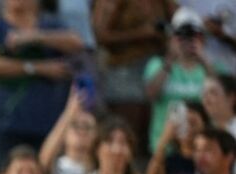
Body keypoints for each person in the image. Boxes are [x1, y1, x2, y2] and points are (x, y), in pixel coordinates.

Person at [0, 0, 84, 171]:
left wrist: (34, 37)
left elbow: (76, 43)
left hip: (44, 124)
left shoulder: (51, 24)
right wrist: (38, 68)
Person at [92, 0, 175, 148]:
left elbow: (177, 20)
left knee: (151, 131)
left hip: (155, 66)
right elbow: (100, 36)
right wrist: (141, 33)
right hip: (124, 68)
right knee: (126, 130)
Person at [145, 8, 212, 152]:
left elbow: (225, 99)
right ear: (171, 38)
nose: (187, 41)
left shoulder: (213, 69)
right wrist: (170, 59)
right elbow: (151, 94)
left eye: (193, 36)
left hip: (201, 149)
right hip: (163, 148)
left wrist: (203, 60)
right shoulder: (157, 65)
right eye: (182, 36)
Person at [146, 99, 207, 174]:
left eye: (192, 123)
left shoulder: (208, 158)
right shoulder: (169, 161)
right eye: (183, 123)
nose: (188, 129)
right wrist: (164, 140)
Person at [38, 88, 98, 174]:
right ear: (64, 134)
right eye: (75, 125)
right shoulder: (56, 166)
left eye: (87, 127)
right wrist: (69, 113)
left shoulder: (100, 167)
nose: (81, 131)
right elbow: (43, 160)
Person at [201, 71, 236, 136]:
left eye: (213, 93)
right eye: (204, 94)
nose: (206, 100)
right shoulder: (202, 131)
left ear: (231, 98)